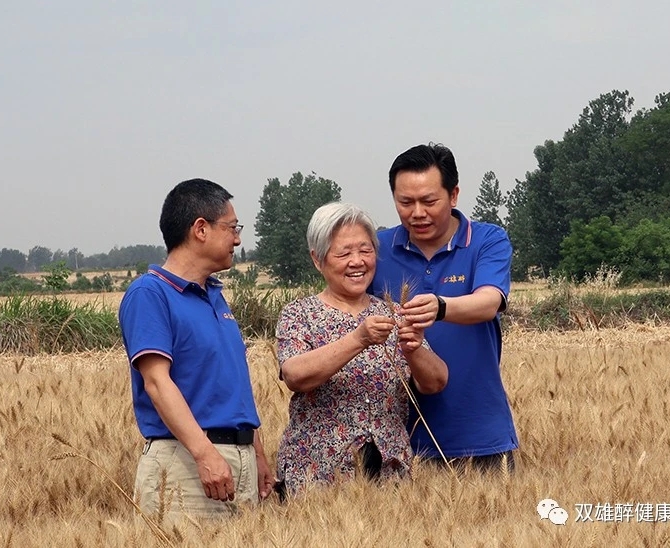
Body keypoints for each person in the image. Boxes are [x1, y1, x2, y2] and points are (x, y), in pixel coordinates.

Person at [119, 178, 274, 522]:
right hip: (187, 465)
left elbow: (231, 386)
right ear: (200, 229)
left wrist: (255, 453)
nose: (237, 238)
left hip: (237, 461)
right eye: (232, 227)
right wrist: (205, 454)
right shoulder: (150, 294)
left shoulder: (215, 296)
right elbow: (157, 383)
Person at [275, 202, 448, 496]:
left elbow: (435, 382)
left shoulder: (393, 312)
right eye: (344, 253)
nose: (357, 261)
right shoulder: (299, 315)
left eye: (365, 250)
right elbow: (295, 375)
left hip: (390, 477)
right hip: (317, 479)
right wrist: (359, 339)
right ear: (318, 260)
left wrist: (414, 349)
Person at [370, 143, 519, 473]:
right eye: (405, 202)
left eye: (429, 201)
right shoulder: (376, 248)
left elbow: (489, 301)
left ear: (453, 195)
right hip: (397, 442)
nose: (417, 213)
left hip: (480, 435)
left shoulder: (487, 240)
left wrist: (440, 307)